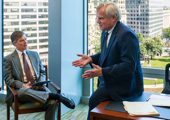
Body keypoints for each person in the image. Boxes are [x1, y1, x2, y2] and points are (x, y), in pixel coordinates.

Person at [72, 2, 143, 120]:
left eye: (101, 18)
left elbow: (129, 66)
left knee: (95, 98)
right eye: (97, 18)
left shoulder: (126, 35)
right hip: (111, 80)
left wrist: (103, 72)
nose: (97, 21)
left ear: (113, 18)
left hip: (125, 86)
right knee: (95, 99)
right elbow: (107, 54)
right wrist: (91, 58)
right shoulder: (105, 32)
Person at [4, 31, 75, 120]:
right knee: (23, 91)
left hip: (38, 88)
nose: (25, 42)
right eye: (21, 40)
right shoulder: (8, 59)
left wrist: (41, 82)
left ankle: (53, 97)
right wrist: (23, 85)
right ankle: (57, 96)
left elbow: (42, 72)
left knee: (52, 103)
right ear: (15, 43)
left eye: (25, 39)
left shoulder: (34, 54)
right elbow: (8, 80)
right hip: (22, 92)